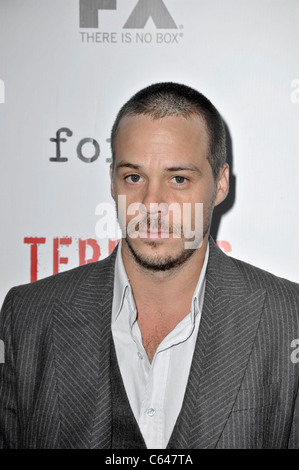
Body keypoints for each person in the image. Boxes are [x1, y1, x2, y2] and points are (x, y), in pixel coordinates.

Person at [0, 82, 298, 449]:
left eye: (178, 179)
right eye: (134, 177)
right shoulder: (28, 317)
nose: (151, 203)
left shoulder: (289, 318)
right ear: (112, 182)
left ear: (220, 185)